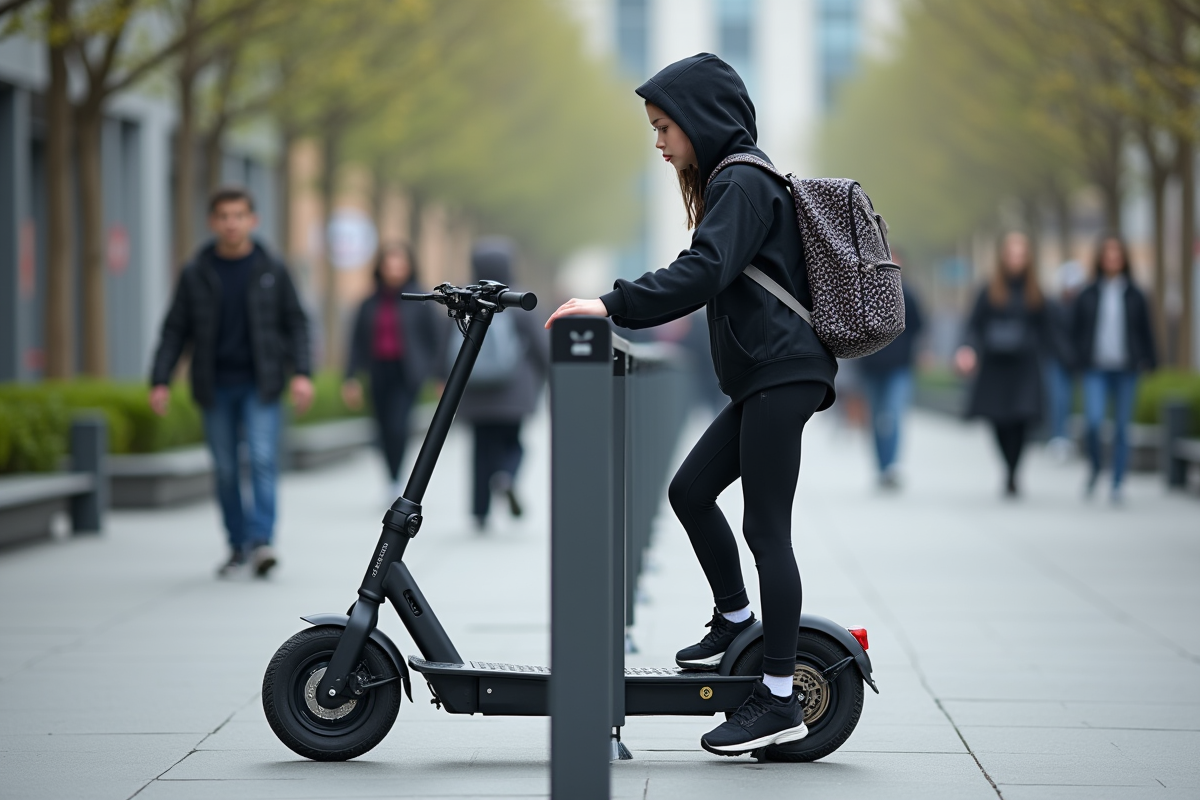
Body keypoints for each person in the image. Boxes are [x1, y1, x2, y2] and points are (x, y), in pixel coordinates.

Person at [546, 53, 835, 757]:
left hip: (782, 372)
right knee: (690, 489)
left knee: (767, 529)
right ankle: (736, 620)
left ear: (701, 119)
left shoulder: (740, 180)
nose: (658, 142)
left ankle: (776, 699)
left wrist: (608, 304)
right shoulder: (738, 179)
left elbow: (704, 271)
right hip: (771, 375)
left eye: (664, 125)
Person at [149, 187, 313, 577]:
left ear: (252, 221)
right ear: (213, 222)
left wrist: (303, 374)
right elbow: (175, 330)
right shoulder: (196, 272)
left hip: (261, 383)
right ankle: (237, 544)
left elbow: (296, 323)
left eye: (239, 215)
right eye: (223, 216)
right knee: (225, 468)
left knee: (260, 458)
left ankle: (262, 542)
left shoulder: (272, 268)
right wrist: (160, 379)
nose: (231, 223)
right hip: (215, 383)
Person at [457, 238, 549, 531]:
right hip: (514, 392)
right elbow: (540, 347)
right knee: (513, 443)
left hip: (474, 390)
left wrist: (440, 379)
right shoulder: (519, 301)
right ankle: (506, 475)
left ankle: (480, 512)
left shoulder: (465, 299)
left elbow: (449, 344)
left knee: (480, 449)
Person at [342, 244, 441, 501]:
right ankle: (391, 478)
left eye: (400, 263)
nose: (394, 269)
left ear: (409, 266)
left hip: (407, 373)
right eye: (389, 264)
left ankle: (398, 479)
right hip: (378, 371)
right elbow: (356, 343)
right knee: (382, 429)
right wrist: (351, 378)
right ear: (380, 267)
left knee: (398, 426)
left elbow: (436, 340)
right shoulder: (368, 303)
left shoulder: (422, 300)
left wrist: (440, 376)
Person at [955, 231, 1049, 497]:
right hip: (995, 366)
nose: (1016, 259)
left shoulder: (1036, 292)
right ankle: (1008, 468)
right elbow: (973, 325)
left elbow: (1048, 328)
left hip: (1024, 366)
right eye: (1011, 253)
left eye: (1021, 254)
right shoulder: (989, 289)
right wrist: (967, 350)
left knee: (1021, 420)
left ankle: (1013, 472)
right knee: (999, 420)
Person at [1071, 235, 1157, 503]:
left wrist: (1151, 360)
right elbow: (1076, 331)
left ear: (1124, 258)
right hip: (1095, 368)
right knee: (1094, 423)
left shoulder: (1135, 294)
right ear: (1099, 257)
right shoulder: (1087, 293)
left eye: (1116, 253)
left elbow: (1146, 331)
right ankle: (1096, 468)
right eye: (1107, 253)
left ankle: (1118, 481)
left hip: (1126, 369)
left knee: (1122, 427)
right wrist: (1075, 359)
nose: (1112, 258)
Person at [857, 273, 924, 489]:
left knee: (894, 414)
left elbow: (918, 327)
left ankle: (892, 466)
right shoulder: (864, 291)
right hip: (871, 367)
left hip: (899, 368)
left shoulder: (908, 294)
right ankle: (882, 465)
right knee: (876, 419)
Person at [1043, 260, 1086, 461]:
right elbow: (1054, 335)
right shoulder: (1054, 305)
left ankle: (1069, 438)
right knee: (1059, 399)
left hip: (1080, 361)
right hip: (1058, 360)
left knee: (1075, 401)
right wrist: (1068, 356)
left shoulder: (1083, 305)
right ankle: (1059, 437)